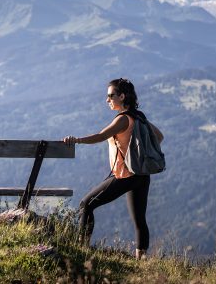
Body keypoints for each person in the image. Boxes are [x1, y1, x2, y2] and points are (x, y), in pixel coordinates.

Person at [63, 78, 164, 260]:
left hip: (125, 175)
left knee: (86, 204)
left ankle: (81, 250)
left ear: (122, 96)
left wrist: (76, 140)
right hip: (141, 175)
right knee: (139, 220)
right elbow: (159, 136)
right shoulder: (139, 116)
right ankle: (141, 260)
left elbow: (101, 136)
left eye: (111, 96)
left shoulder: (123, 119)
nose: (107, 100)